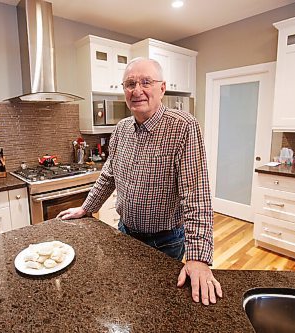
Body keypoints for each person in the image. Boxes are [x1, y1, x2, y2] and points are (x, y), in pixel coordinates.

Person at [57, 57, 222, 305]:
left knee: (160, 306)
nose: (137, 90)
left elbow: (195, 195)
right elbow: (109, 175)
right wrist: (86, 207)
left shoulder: (184, 127)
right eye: (130, 84)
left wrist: (198, 258)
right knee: (129, 299)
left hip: (166, 241)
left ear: (162, 88)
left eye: (146, 82)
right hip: (125, 234)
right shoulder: (121, 129)